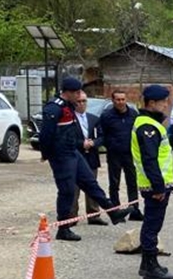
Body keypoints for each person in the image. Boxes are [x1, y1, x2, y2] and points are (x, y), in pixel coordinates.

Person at [38, 77, 126, 242]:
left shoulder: (68, 106)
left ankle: (113, 212)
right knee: (67, 191)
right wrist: (46, 153)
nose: (79, 96)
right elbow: (46, 134)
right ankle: (63, 228)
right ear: (69, 93)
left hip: (72, 152)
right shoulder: (54, 108)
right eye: (77, 92)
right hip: (61, 155)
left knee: (90, 183)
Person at [132, 84, 173, 279]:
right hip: (154, 186)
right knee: (152, 225)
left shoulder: (150, 124)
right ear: (152, 103)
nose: (166, 105)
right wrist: (159, 186)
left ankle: (146, 264)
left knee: (152, 223)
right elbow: (150, 160)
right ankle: (151, 267)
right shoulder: (147, 127)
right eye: (163, 102)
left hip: (154, 184)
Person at [99, 89, 142, 221]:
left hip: (129, 154)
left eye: (123, 99)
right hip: (114, 154)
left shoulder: (134, 115)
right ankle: (116, 211)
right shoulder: (106, 116)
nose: (121, 102)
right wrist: (110, 145)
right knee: (114, 183)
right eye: (118, 99)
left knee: (132, 182)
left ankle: (134, 209)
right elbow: (102, 134)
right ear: (113, 101)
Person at [68, 96, 105, 226]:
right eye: (78, 101)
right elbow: (67, 139)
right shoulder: (69, 119)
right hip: (76, 156)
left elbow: (102, 136)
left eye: (84, 101)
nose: (82, 104)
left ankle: (94, 215)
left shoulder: (94, 118)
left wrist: (94, 143)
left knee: (92, 185)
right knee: (74, 188)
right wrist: (81, 144)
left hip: (91, 157)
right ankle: (72, 216)